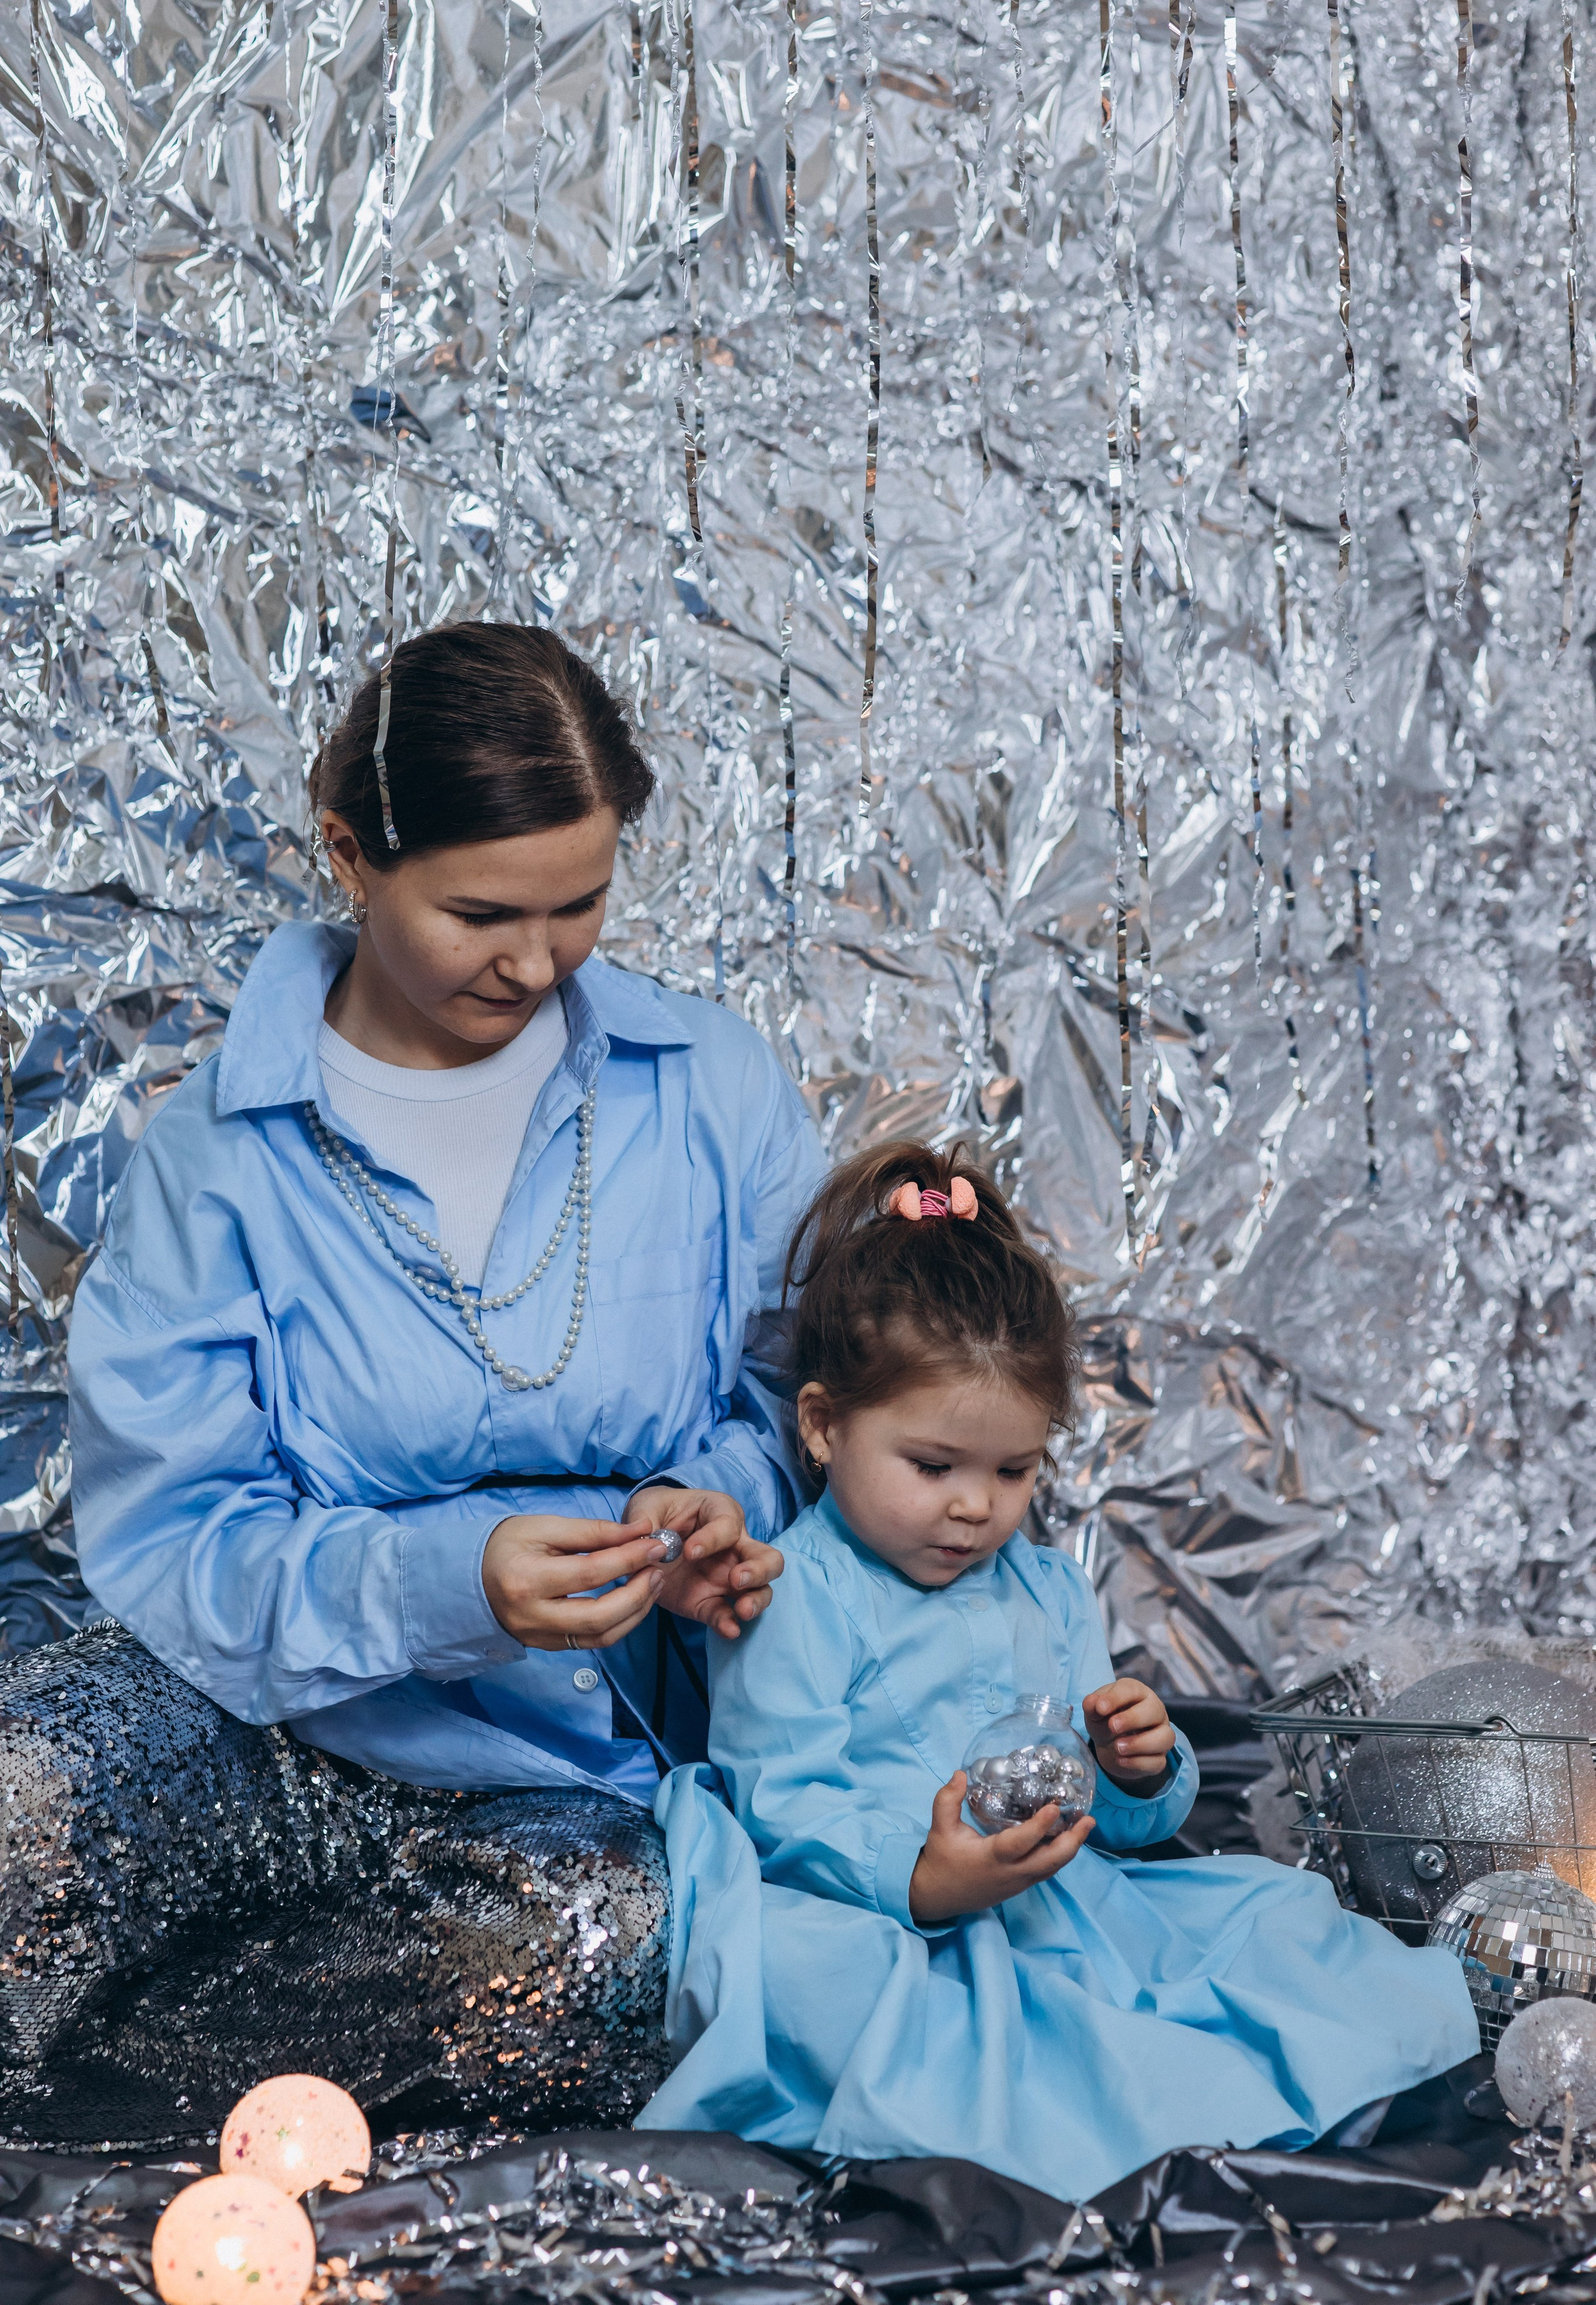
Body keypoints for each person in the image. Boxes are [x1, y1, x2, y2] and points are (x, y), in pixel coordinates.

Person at [638, 1142, 1480, 2203]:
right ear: (822, 1425)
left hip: (1063, 1901)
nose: (974, 1506)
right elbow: (785, 1803)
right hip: (886, 1907)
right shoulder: (790, 1593)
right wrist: (928, 1879)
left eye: (1013, 1471)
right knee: (865, 2004)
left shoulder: (1042, 1586)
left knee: (1273, 1920)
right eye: (933, 1467)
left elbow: (1103, 1819)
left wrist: (1135, 1767)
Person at [67, 618, 825, 1796]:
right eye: (480, 917)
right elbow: (178, 1539)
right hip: (316, 1758)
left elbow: (808, 1400)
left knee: (583, 1930)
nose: (535, 965)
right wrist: (451, 1586)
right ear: (349, 855)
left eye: (579, 904)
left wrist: (706, 1505)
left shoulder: (714, 1086)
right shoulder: (216, 1159)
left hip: (645, 1761)